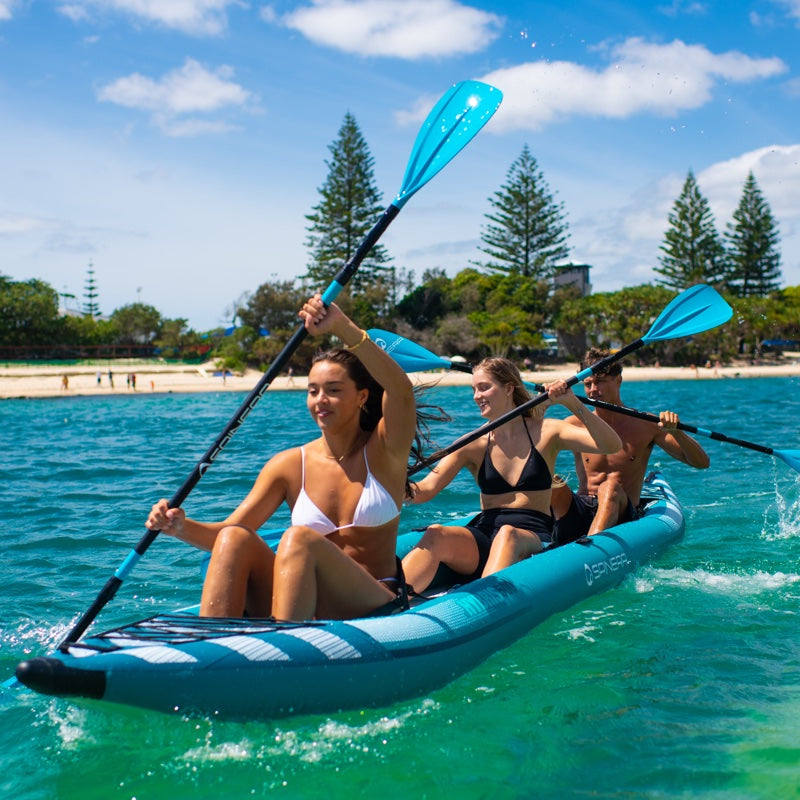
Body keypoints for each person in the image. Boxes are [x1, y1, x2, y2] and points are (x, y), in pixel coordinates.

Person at [146, 294, 418, 622]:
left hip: (372, 600)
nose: (321, 400)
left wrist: (341, 327)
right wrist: (178, 526)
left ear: (362, 396)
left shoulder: (385, 449)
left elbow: (400, 390)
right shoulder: (289, 465)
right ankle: (211, 642)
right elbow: (224, 533)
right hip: (303, 599)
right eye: (312, 390)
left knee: (299, 538)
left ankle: (281, 653)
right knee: (234, 538)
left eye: (333, 390)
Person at [400, 358, 622, 595]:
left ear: (508, 388)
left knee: (507, 534)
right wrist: (394, 483)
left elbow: (611, 444)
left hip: (531, 536)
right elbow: (425, 490)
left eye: (484, 387)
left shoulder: (547, 431)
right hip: (484, 534)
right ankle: (390, 602)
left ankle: (481, 605)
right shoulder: (472, 443)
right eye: (474, 389)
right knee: (436, 534)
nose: (476, 396)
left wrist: (571, 402)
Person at [550, 347, 710, 543]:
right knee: (552, 482)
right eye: (588, 384)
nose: (592, 390)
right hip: (582, 507)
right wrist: (549, 400)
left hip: (622, 512)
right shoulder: (574, 424)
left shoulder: (646, 424)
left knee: (609, 487)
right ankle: (537, 540)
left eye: (600, 382)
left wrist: (676, 430)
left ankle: (589, 549)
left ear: (618, 380)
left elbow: (701, 463)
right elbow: (532, 441)